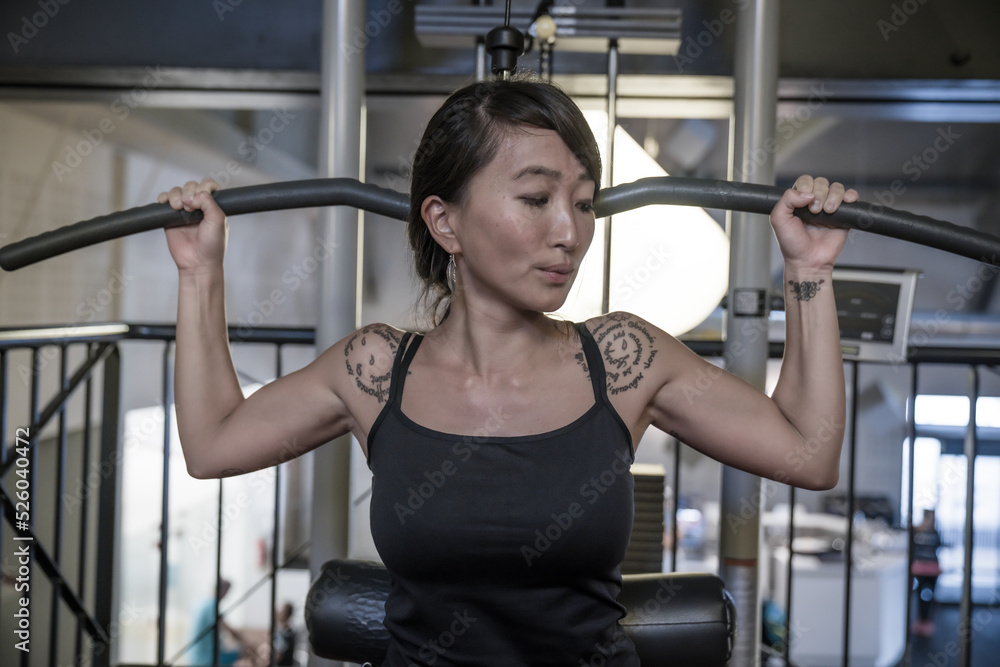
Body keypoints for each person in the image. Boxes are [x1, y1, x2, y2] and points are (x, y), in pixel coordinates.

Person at [159, 76, 857, 666]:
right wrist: (199, 273)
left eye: (583, 203)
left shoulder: (621, 360)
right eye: (536, 198)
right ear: (446, 222)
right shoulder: (374, 369)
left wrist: (810, 271)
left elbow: (809, 447)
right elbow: (214, 441)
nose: (572, 232)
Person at [189, 579, 245, 666]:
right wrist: (245, 641)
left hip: (193, 656)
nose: (227, 596)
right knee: (241, 653)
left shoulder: (200, 602)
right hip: (206, 658)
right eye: (227, 592)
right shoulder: (212, 605)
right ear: (223, 590)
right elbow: (225, 627)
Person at [911, 508, 944, 637]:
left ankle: (928, 622)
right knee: (920, 595)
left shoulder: (935, 532)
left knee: (931, 596)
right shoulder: (916, 531)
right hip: (920, 568)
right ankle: (920, 621)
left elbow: (938, 546)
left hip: (932, 568)